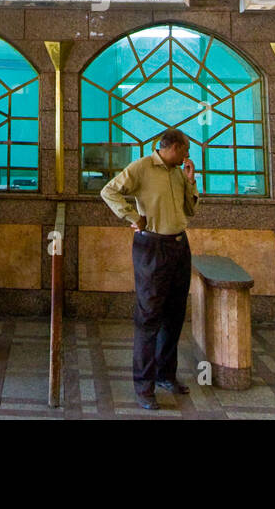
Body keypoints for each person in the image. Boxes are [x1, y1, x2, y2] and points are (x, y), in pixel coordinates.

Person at [99, 128, 200, 410]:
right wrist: (131, 217)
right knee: (149, 317)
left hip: (180, 246)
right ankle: (144, 387)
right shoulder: (142, 167)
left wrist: (191, 182)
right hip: (153, 248)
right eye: (185, 149)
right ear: (174, 147)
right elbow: (108, 191)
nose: (188, 155)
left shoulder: (179, 172)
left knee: (175, 314)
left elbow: (190, 212)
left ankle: (165, 375)